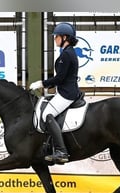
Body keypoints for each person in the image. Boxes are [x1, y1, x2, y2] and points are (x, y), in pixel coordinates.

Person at [29, 22, 81, 164]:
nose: (54, 39)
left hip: (67, 94)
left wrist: (41, 84)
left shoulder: (67, 55)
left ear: (65, 37)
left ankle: (61, 151)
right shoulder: (68, 52)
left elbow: (60, 78)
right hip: (66, 91)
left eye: (56, 36)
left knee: (47, 115)